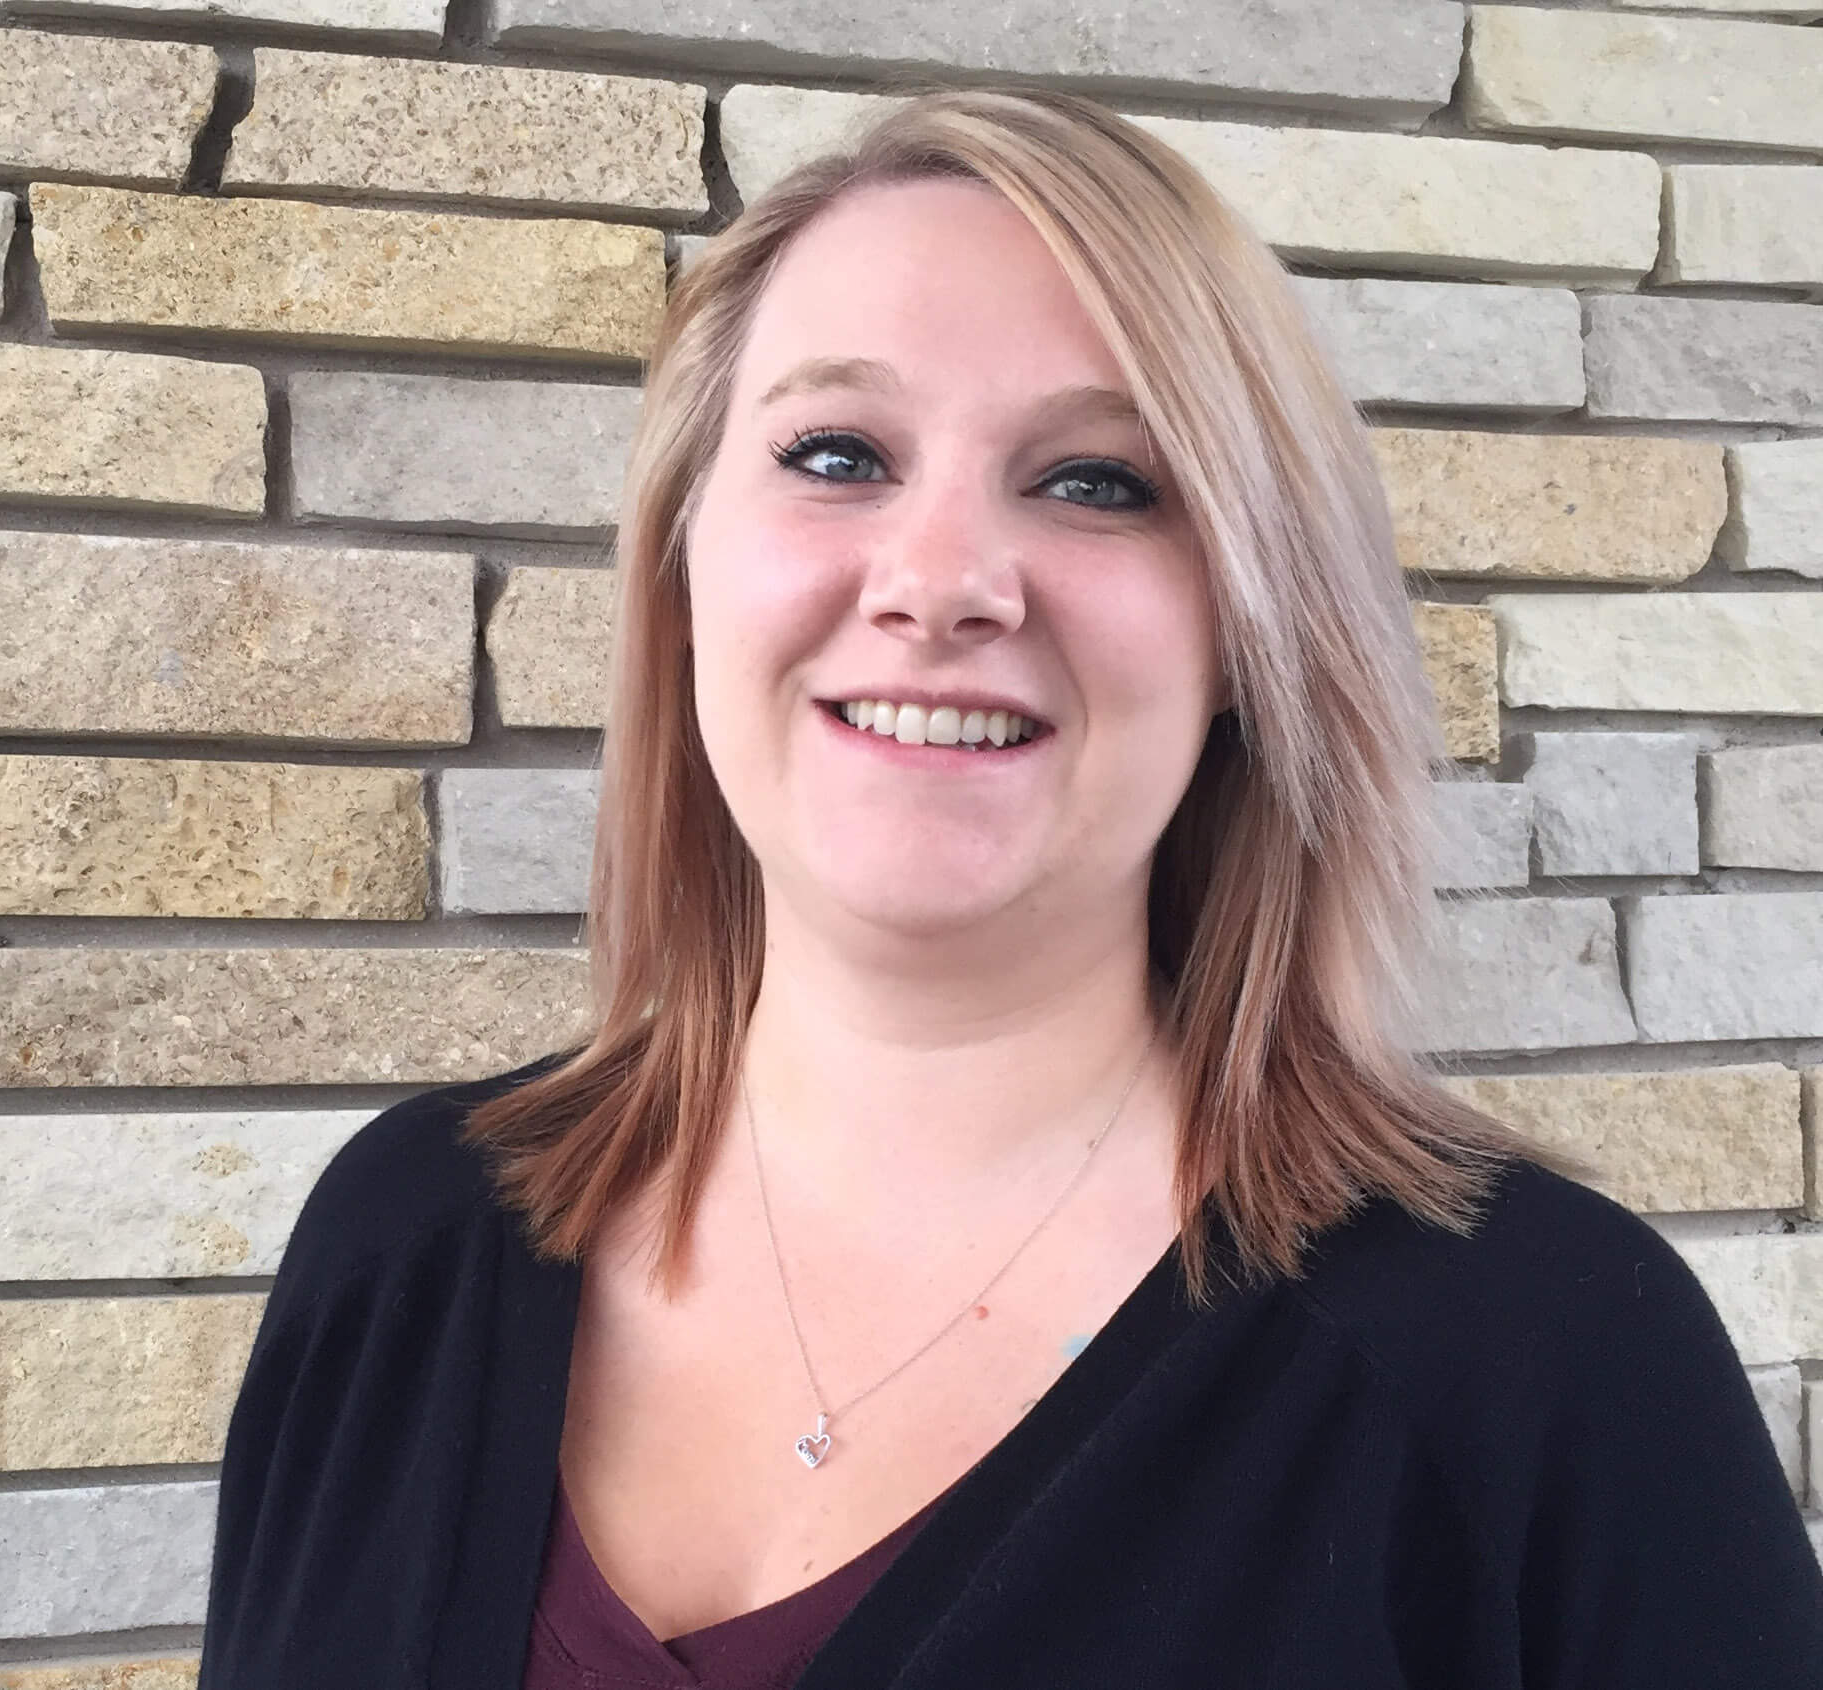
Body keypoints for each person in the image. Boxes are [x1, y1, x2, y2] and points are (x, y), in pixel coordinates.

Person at [197, 87, 1823, 1688]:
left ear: (1249, 625)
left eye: (1098, 479)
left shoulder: (1554, 1367)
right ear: (685, 570)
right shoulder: (399, 1245)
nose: (941, 582)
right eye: (839, 452)